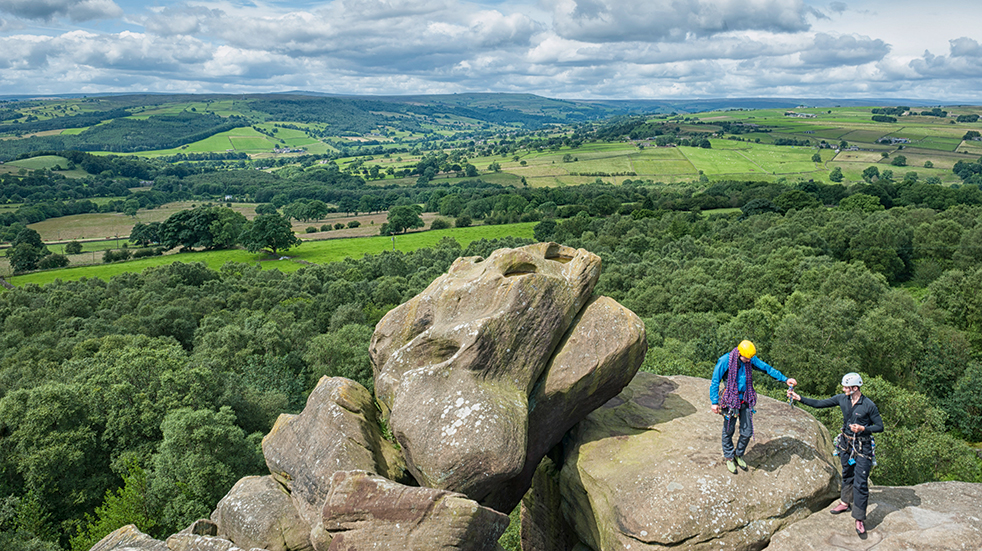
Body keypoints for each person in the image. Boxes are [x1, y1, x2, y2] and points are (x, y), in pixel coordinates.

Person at [787, 372, 883, 537]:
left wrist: (863, 429)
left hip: (862, 446)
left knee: (860, 483)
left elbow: (879, 426)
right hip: (846, 444)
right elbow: (819, 404)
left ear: (855, 388)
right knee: (847, 473)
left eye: (846, 387)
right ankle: (845, 502)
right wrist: (799, 398)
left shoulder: (868, 405)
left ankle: (859, 519)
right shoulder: (842, 399)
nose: (844, 389)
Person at [710, 340, 796, 474]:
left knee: (747, 432)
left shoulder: (750, 359)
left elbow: (767, 368)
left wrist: (785, 379)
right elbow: (715, 380)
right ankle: (729, 457)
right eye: (745, 358)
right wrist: (714, 402)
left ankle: (738, 455)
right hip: (731, 401)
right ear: (739, 353)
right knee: (728, 430)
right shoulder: (725, 361)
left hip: (745, 399)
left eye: (749, 359)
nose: (747, 361)